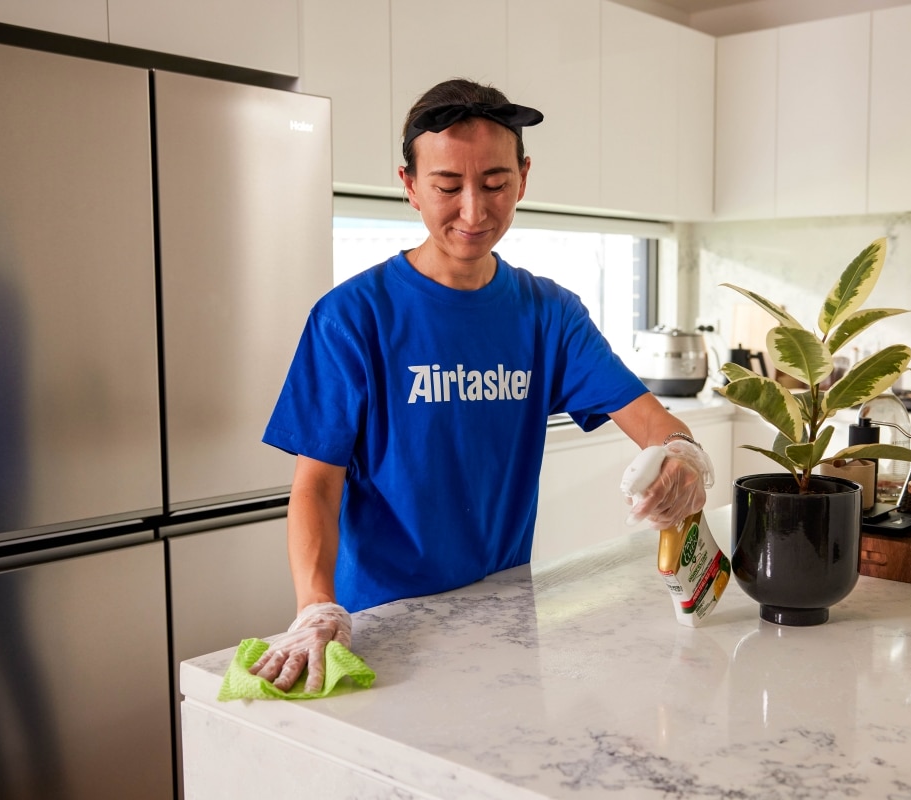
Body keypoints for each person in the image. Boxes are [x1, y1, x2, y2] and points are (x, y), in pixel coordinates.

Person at [251, 78, 713, 692]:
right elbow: (316, 485)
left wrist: (682, 455)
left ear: (523, 178)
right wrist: (315, 606)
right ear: (410, 185)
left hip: (506, 619)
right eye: (447, 186)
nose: (474, 210)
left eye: (495, 184)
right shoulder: (352, 317)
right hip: (383, 625)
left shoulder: (549, 314)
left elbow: (651, 419)